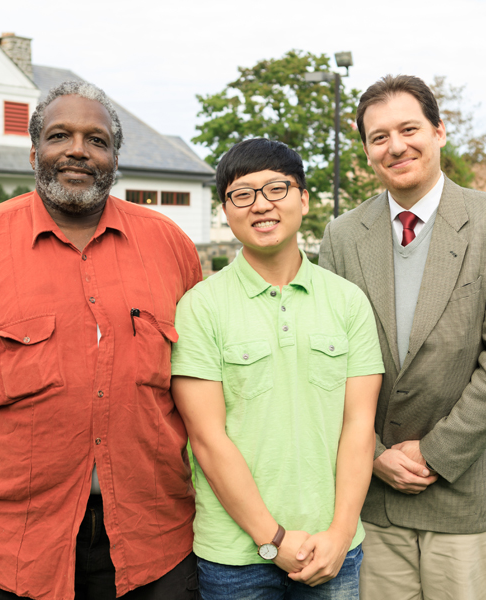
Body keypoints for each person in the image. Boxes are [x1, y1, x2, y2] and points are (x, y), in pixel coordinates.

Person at [0, 81, 202, 600]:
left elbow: (202, 379)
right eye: (61, 135)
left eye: (97, 140)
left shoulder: (169, 246)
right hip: (6, 541)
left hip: (152, 536)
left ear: (115, 158)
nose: (79, 150)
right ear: (35, 151)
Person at [319, 74, 486, 600]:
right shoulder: (342, 236)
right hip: (371, 497)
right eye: (378, 137)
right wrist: (371, 452)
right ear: (368, 150)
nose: (396, 146)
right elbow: (323, 359)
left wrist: (435, 454)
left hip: (463, 493)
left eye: (409, 128)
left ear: (439, 131)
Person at [171, 138, 383, 599]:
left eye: (276, 189)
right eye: (242, 194)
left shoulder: (348, 302)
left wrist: (340, 533)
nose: (261, 205)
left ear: (303, 199)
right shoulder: (199, 308)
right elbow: (207, 439)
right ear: (225, 210)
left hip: (335, 549)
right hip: (235, 558)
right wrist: (274, 540)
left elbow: (359, 425)